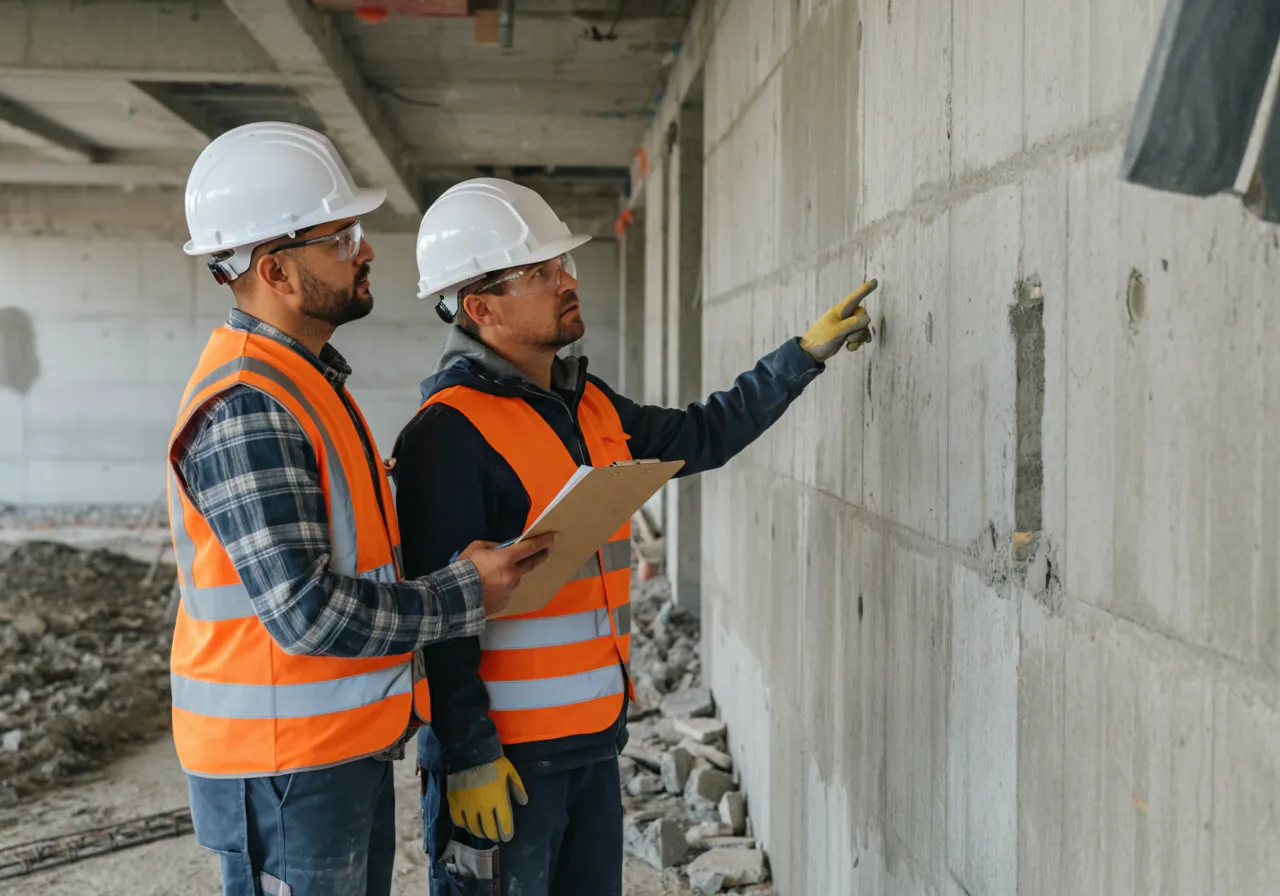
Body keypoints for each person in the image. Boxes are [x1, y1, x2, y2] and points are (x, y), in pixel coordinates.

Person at [391, 177, 877, 895]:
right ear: (481, 306)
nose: (566, 281)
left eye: (564, 265)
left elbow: (701, 434)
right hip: (507, 763)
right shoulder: (447, 434)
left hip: (590, 742)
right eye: (541, 272)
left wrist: (800, 356)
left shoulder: (585, 403)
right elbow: (437, 613)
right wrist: (464, 753)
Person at [167, 127, 552, 896]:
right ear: (275, 269)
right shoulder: (251, 404)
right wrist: (465, 592)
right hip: (282, 766)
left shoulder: (306, 382)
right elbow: (306, 614)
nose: (366, 249)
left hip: (332, 748)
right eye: (340, 237)